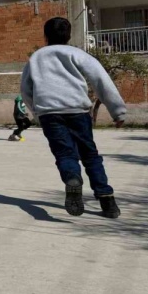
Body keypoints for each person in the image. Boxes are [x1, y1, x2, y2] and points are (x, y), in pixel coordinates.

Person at [21, 16, 123, 218]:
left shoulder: (36, 58)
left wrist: (38, 112)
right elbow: (100, 80)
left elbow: (26, 89)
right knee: (90, 155)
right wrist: (117, 110)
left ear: (45, 36)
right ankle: (107, 201)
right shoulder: (77, 54)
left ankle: (72, 178)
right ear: (69, 35)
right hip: (78, 112)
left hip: (50, 114)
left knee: (65, 154)